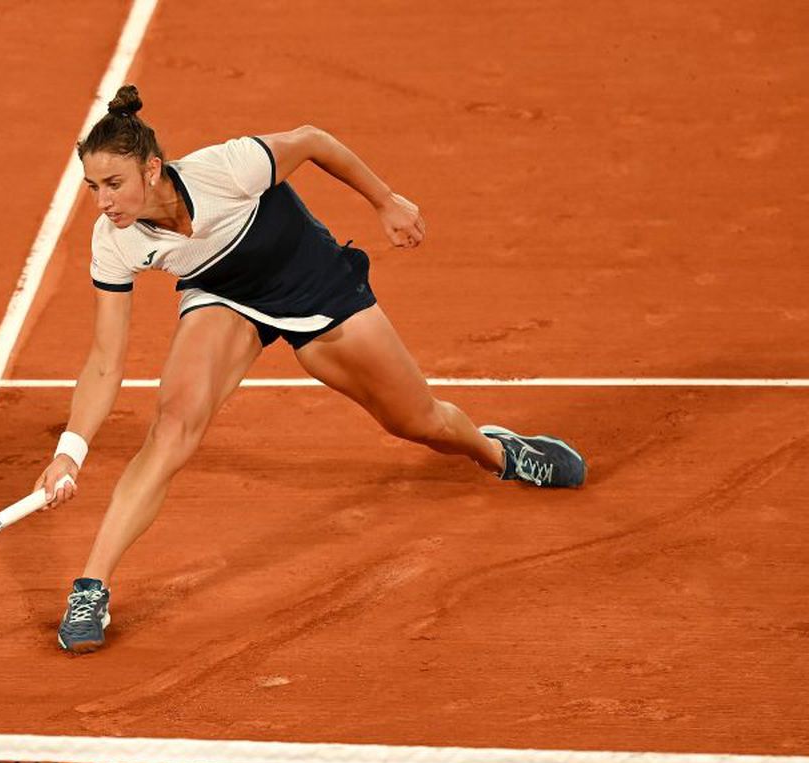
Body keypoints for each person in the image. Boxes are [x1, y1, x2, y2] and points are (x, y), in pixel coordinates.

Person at [34, 85, 585, 654]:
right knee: (172, 428)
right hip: (226, 298)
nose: (103, 201)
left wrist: (386, 201)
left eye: (113, 183)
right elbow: (105, 361)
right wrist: (70, 451)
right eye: (93, 187)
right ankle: (91, 587)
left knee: (418, 421)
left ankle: (497, 453)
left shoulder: (228, 169)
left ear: (152, 170)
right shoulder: (115, 242)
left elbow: (313, 140)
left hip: (315, 285)